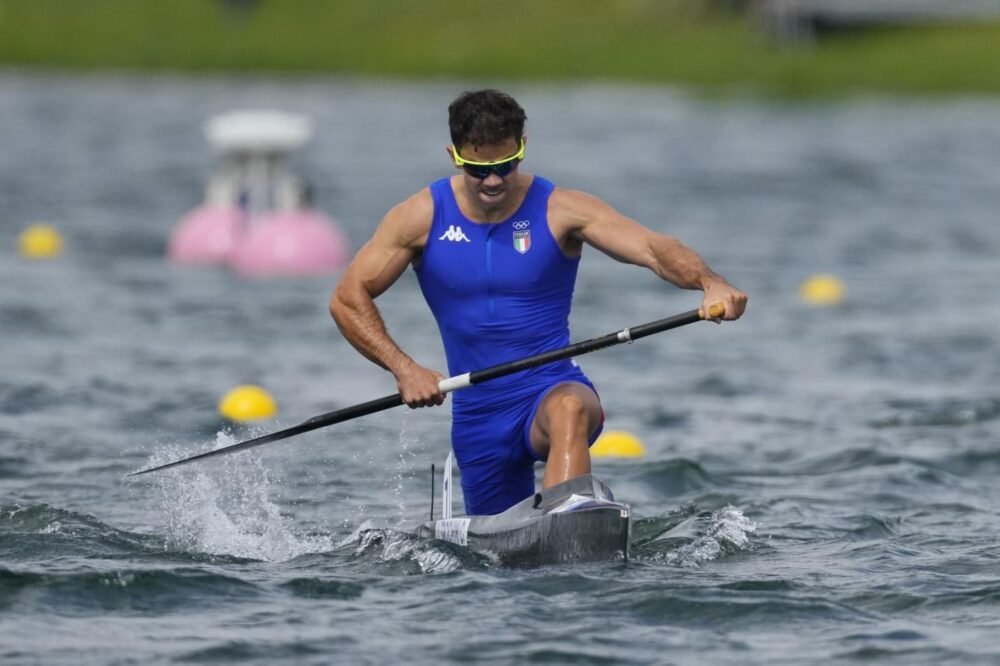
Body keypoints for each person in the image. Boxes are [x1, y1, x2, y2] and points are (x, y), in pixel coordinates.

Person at [330, 89, 747, 516]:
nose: (493, 181)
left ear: (523, 148)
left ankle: (569, 519)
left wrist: (709, 282)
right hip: (478, 418)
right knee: (494, 565)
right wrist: (404, 369)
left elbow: (653, 249)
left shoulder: (561, 209)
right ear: (454, 155)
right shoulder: (418, 218)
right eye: (479, 169)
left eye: (506, 166)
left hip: (550, 387)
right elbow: (346, 299)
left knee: (569, 409)